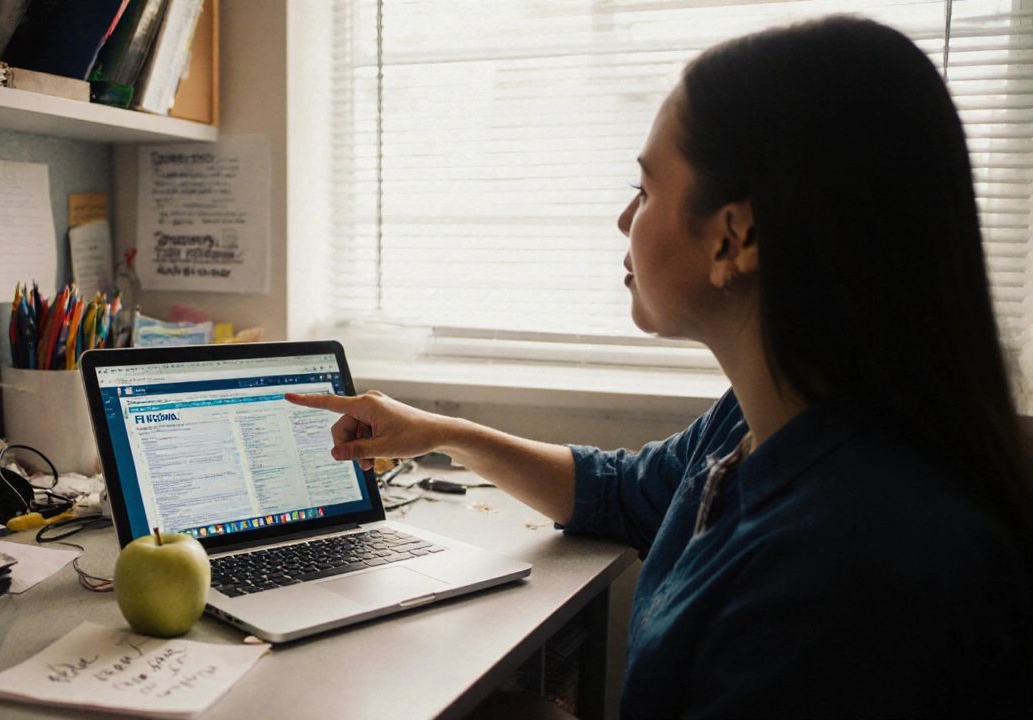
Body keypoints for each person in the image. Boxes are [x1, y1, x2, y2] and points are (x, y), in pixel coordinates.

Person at [287, 15, 1033, 718]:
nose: (623, 220)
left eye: (644, 190)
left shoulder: (847, 575)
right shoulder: (760, 420)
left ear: (733, 239)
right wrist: (437, 432)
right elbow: (617, 492)